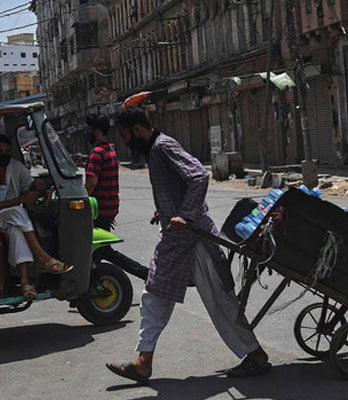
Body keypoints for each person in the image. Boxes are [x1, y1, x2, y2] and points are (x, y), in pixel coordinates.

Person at [105, 106, 270, 383]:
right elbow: (179, 185)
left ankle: (255, 355)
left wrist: (186, 214)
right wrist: (168, 210)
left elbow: (197, 175)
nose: (124, 142)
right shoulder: (155, 151)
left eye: (124, 135)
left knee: (219, 300)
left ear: (138, 130)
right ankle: (143, 361)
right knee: (154, 296)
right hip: (175, 242)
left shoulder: (162, 147)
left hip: (195, 241)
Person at [0, 134, 73, 301]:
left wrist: (36, 186)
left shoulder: (16, 167)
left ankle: (25, 282)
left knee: (15, 230)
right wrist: (20, 200)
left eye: (7, 151)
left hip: (11, 219)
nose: (4, 154)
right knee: (17, 211)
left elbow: (28, 183)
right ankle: (42, 257)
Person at [84, 114, 148, 281]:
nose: (87, 133)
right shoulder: (111, 150)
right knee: (96, 251)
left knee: (100, 250)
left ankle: (145, 274)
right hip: (110, 207)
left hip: (100, 209)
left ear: (97, 132)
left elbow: (91, 184)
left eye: (89, 130)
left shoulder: (96, 153)